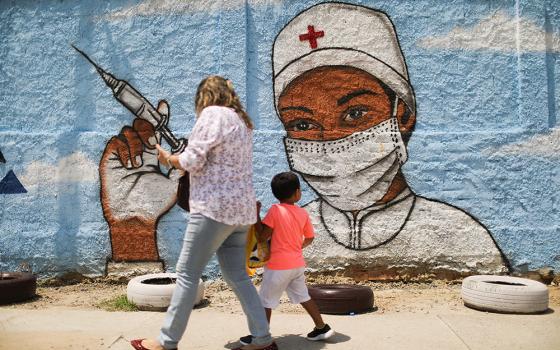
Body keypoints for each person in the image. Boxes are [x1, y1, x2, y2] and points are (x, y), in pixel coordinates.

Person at [271, 2, 510, 277]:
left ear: (403, 116)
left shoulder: (458, 234)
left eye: (355, 113)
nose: (330, 141)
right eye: (303, 124)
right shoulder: (294, 231)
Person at [130, 76, 277, 350]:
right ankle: (263, 338)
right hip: (240, 212)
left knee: (187, 273)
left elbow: (192, 160)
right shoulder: (241, 121)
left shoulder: (212, 115)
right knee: (238, 276)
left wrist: (169, 159)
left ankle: (165, 342)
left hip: (213, 209)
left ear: (205, 96)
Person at [238, 172, 334, 346]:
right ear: (298, 193)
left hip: (278, 267)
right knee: (304, 296)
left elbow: (261, 236)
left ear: (275, 194)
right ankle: (322, 327)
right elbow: (310, 238)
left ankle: (261, 336)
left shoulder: (275, 210)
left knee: (265, 301)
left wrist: (256, 215)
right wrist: (298, 247)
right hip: (296, 264)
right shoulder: (303, 213)